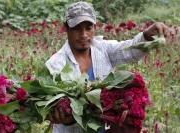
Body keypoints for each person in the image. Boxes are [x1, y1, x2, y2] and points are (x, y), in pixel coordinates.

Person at [45, 1, 169, 133]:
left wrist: (146, 36)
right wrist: (66, 118)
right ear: (66, 27)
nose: (83, 34)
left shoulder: (102, 49)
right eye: (76, 28)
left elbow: (129, 51)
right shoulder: (55, 65)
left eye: (88, 27)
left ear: (94, 27)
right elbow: (51, 107)